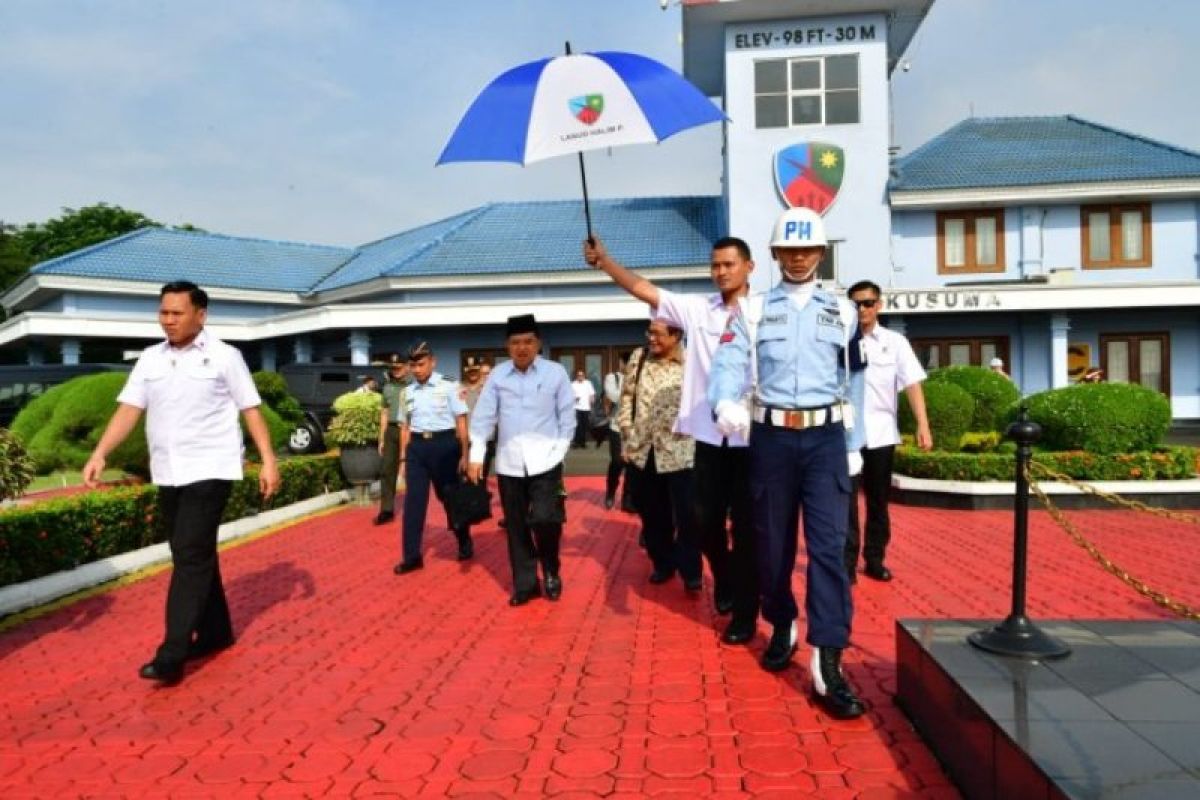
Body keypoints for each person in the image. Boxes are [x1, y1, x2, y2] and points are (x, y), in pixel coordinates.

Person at [708, 206, 867, 719]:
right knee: (771, 549)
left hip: (824, 440)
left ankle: (828, 659)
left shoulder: (842, 312)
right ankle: (782, 620)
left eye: (807, 250)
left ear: (820, 253)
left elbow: (853, 380)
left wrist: (854, 441)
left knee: (829, 548)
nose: (798, 258)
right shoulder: (751, 311)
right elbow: (728, 364)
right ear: (775, 255)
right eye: (788, 250)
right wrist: (725, 402)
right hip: (772, 438)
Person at [82, 280, 281, 685]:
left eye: (176, 313)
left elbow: (252, 410)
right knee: (192, 551)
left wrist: (268, 461)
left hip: (211, 468)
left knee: (189, 553)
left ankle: (172, 653)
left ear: (200, 315)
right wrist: (100, 452)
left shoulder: (225, 357)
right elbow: (129, 410)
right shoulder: (150, 360)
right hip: (169, 471)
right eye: (163, 312)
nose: (167, 320)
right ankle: (216, 631)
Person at [584, 234, 757, 643]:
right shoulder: (699, 310)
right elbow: (643, 288)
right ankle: (725, 576)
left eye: (729, 264)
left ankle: (745, 611)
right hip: (707, 439)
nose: (720, 272)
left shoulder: (768, 312)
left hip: (753, 438)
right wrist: (606, 262)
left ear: (749, 267)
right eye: (715, 265)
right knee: (704, 522)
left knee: (749, 529)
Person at [467, 314, 575, 606]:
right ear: (507, 346)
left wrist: (559, 452)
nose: (522, 348)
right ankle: (525, 584)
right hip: (509, 462)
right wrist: (476, 455)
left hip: (546, 460)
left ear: (538, 343)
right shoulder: (498, 377)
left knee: (545, 518)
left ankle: (551, 569)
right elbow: (484, 417)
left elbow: (567, 418)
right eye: (515, 342)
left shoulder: (555, 373)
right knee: (516, 526)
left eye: (528, 341)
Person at [844, 280, 933, 584]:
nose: (862, 309)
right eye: (856, 303)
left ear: (878, 305)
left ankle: (874, 559)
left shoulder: (895, 342)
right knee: (846, 502)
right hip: (847, 437)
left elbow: (912, 383)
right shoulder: (841, 341)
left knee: (877, 501)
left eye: (868, 303)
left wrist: (923, 424)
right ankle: (846, 562)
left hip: (881, 434)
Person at [618, 322, 701, 590]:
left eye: (657, 334)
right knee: (652, 512)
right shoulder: (638, 357)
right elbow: (627, 398)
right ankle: (663, 562)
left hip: (681, 450)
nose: (650, 338)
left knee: (688, 515)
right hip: (643, 450)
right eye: (648, 332)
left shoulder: (692, 362)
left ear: (676, 335)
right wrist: (627, 436)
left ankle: (690, 570)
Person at [393, 341, 474, 574]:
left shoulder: (449, 385)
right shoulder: (406, 392)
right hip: (417, 448)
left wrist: (465, 455)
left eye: (421, 364)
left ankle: (464, 539)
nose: (416, 369)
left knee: (449, 498)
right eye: (413, 365)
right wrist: (402, 460)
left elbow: (461, 421)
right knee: (413, 504)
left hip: (445, 446)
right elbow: (405, 428)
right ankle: (412, 556)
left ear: (432, 362)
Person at [375, 354, 411, 525]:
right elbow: (384, 412)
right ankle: (386, 509)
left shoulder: (414, 385)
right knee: (387, 470)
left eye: (399, 367)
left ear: (407, 367)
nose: (396, 371)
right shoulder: (387, 387)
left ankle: (414, 508)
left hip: (410, 430)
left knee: (411, 470)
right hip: (391, 430)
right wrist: (381, 438)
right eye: (393, 368)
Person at [602, 352, 635, 511]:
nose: (629, 365)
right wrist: (631, 395)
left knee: (632, 465)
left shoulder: (639, 377)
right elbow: (613, 396)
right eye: (626, 362)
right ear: (621, 363)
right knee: (617, 462)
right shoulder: (612, 377)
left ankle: (627, 500)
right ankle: (610, 492)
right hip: (617, 427)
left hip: (635, 429)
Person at [570, 369, 595, 448]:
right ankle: (576, 442)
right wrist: (574, 398)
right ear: (576, 376)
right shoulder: (573, 384)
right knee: (577, 425)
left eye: (582, 375)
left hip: (586, 408)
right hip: (576, 407)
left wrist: (592, 400)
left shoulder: (588, 383)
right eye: (579, 375)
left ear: (584, 376)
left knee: (584, 426)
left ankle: (583, 442)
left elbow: (592, 394)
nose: (580, 377)